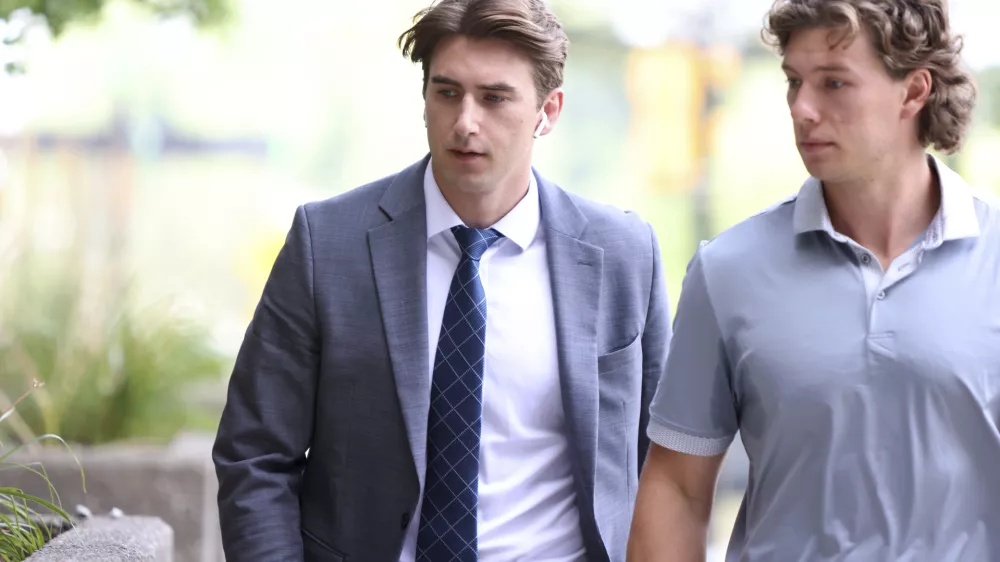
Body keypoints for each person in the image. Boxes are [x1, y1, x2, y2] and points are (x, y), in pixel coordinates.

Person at [212, 0, 671, 560]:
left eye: (494, 98)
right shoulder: (327, 244)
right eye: (447, 92)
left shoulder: (623, 253)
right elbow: (255, 454)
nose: (465, 122)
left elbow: (665, 463)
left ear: (547, 111)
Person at [628, 0, 999, 560]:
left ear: (913, 91)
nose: (802, 109)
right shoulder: (728, 270)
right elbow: (676, 489)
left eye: (834, 83)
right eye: (794, 82)